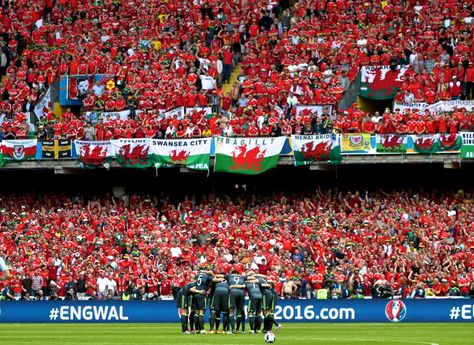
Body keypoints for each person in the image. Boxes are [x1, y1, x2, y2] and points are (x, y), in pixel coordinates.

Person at [193, 268, 214, 334]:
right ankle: (202, 329)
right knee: (202, 313)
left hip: (196, 295)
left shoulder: (198, 275)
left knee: (196, 313)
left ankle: (196, 329)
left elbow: (194, 279)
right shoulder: (207, 276)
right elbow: (214, 278)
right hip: (202, 295)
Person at [226, 269, 247, 334]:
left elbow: (221, 276)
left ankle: (233, 330)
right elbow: (251, 276)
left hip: (233, 292)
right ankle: (237, 329)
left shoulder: (229, 276)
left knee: (231, 312)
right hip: (241, 293)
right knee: (239, 312)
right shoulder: (242, 277)